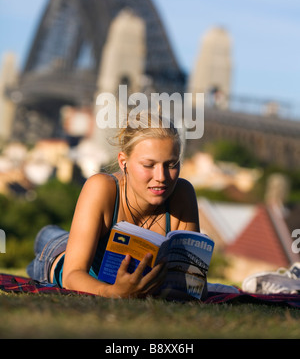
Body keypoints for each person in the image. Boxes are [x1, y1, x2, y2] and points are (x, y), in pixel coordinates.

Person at [27, 112, 200, 298]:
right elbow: (71, 276)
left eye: (171, 165)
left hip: (86, 242)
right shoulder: (101, 187)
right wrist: (114, 292)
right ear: (123, 162)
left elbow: (191, 284)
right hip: (56, 258)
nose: (161, 177)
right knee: (50, 238)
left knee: (70, 238)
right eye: (149, 165)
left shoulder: (183, 193)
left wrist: (195, 283)